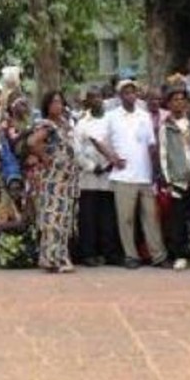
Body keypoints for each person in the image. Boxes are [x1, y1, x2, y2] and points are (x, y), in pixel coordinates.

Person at [94, 80, 168, 269]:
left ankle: (158, 255)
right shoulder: (112, 116)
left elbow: (152, 145)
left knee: (150, 217)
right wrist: (112, 158)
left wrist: (156, 170)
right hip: (123, 176)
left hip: (144, 174)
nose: (130, 96)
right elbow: (98, 140)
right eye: (126, 93)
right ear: (120, 96)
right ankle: (131, 255)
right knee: (125, 219)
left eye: (133, 92)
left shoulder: (144, 116)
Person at [24, 91, 80, 273]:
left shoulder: (64, 124)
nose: (58, 106)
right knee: (52, 218)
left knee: (64, 220)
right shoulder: (47, 125)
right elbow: (32, 142)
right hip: (53, 178)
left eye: (60, 102)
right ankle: (51, 259)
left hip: (67, 178)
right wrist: (43, 156)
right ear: (47, 106)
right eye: (54, 102)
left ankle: (61, 256)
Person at [158, 86, 190, 272]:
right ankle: (180, 255)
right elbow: (163, 153)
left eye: (182, 99)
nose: (179, 103)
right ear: (169, 104)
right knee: (177, 219)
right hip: (177, 179)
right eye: (175, 100)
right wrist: (167, 179)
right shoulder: (166, 128)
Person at [74, 87, 120, 267]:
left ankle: (109, 252)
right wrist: (93, 167)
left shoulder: (111, 121)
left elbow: (117, 143)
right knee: (88, 218)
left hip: (110, 175)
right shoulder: (81, 123)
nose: (96, 100)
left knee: (108, 218)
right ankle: (88, 253)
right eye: (92, 97)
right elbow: (77, 150)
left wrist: (110, 164)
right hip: (88, 178)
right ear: (86, 102)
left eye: (99, 96)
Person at [0, 176, 36, 268]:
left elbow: (25, 223)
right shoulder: (6, 203)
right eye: (12, 190)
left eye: (18, 189)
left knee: (31, 232)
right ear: (9, 191)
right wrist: (8, 225)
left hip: (25, 236)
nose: (15, 193)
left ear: (22, 190)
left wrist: (5, 225)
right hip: (13, 234)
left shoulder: (28, 201)